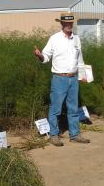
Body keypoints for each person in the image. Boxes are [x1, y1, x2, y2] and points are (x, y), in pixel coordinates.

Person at [34, 13, 90, 146]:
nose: (68, 25)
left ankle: (75, 135)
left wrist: (83, 75)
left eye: (70, 23)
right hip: (59, 79)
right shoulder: (54, 39)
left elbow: (79, 59)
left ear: (72, 24)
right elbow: (46, 56)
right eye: (66, 23)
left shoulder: (77, 38)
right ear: (62, 24)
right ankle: (54, 135)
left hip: (73, 78)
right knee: (55, 108)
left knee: (73, 108)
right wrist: (40, 56)